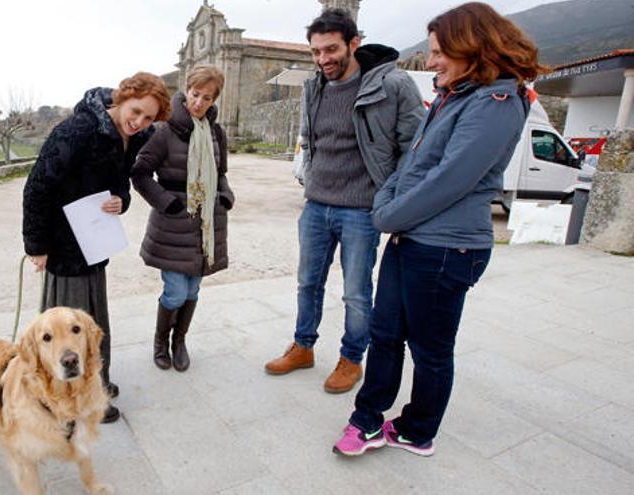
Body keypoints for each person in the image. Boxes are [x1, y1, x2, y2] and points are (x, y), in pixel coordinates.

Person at [334, 2, 546, 457]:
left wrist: (388, 215)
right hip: (411, 238)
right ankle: (366, 420)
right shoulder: (455, 95)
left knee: (429, 349)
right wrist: (385, 199)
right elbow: (412, 162)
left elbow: (451, 179)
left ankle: (416, 430)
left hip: (448, 249)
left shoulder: (498, 102)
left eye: (436, 52)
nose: (429, 62)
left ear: (470, 45)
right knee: (385, 333)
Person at [264, 9, 425, 394]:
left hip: (362, 210)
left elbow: (415, 148)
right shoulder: (314, 86)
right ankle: (303, 347)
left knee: (355, 291)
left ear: (354, 43)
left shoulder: (395, 84)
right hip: (316, 206)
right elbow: (308, 136)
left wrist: (389, 199)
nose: (323, 60)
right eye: (316, 52)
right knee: (307, 283)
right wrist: (309, 176)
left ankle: (352, 359)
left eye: (331, 49)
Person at [22, 72, 171, 423]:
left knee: (93, 324)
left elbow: (119, 185)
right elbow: (37, 187)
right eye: (135, 112)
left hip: (94, 243)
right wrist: (37, 245)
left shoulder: (133, 136)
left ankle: (96, 383)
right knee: (66, 330)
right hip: (64, 246)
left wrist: (121, 200)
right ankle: (74, 400)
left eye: (148, 118)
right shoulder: (77, 130)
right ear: (120, 99)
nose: (139, 123)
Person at [131, 65, 234, 372]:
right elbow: (140, 173)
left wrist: (226, 195)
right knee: (176, 290)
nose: (199, 102)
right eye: (194, 94)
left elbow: (222, 173)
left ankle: (180, 341)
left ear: (214, 100)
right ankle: (161, 342)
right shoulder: (164, 132)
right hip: (174, 223)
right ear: (185, 91)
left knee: (193, 290)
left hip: (207, 223)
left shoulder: (216, 133)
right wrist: (166, 202)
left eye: (206, 97)